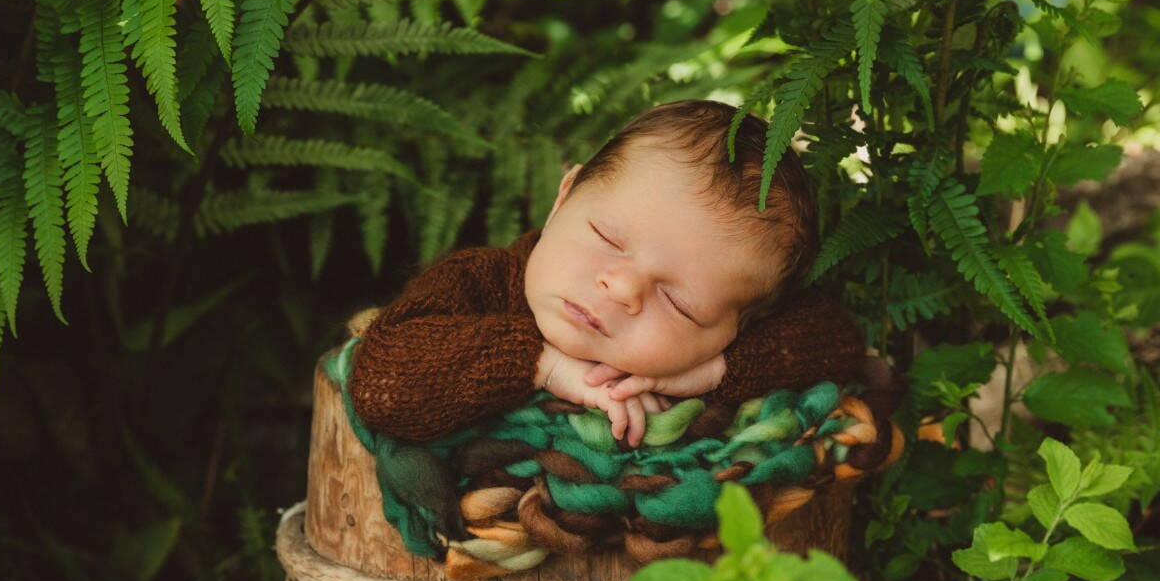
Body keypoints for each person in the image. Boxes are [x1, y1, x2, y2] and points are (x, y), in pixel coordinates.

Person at [348, 99, 863, 448]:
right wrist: (541, 365)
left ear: (734, 329)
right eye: (607, 239)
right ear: (564, 198)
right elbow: (382, 383)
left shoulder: (712, 352)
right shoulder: (484, 280)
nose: (620, 287)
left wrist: (717, 370)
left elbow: (836, 342)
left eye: (680, 304)